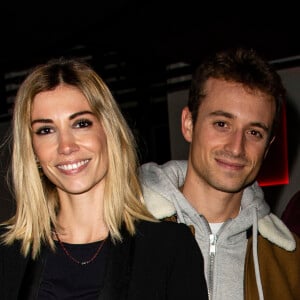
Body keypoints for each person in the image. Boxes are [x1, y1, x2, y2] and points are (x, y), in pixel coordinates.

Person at [0, 58, 208, 300]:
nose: (66, 146)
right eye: (46, 130)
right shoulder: (7, 256)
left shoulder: (168, 249)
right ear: (32, 149)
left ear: (108, 131)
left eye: (81, 124)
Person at [139, 47, 300, 300]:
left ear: (268, 148)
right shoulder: (126, 229)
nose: (236, 147)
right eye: (222, 124)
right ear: (188, 124)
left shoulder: (288, 262)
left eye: (254, 132)